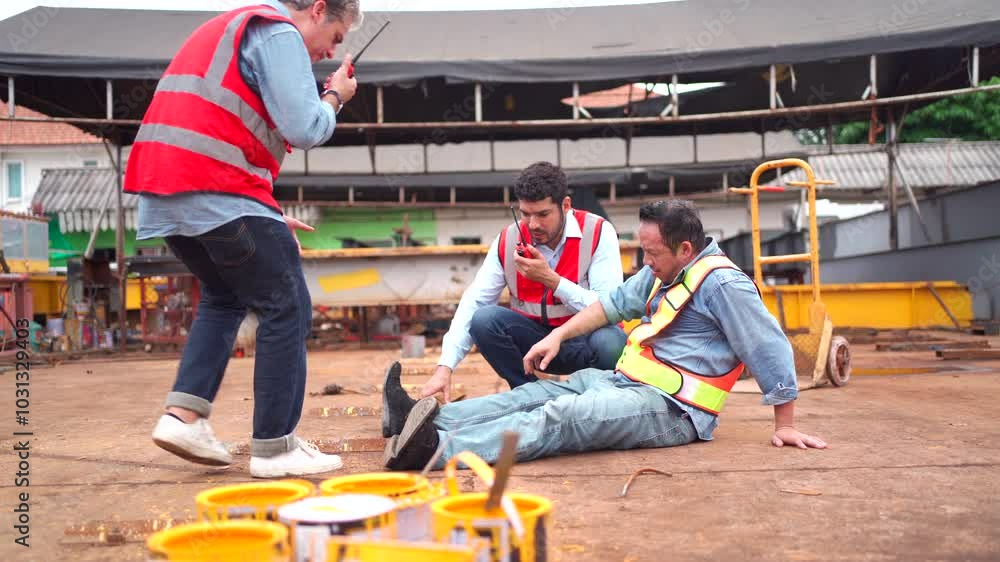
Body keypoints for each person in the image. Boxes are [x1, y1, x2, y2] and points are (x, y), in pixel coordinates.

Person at [381, 200, 827, 471]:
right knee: (532, 397)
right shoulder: (662, 271)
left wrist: (785, 425)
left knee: (561, 418)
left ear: (685, 249)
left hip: (673, 411)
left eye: (652, 252)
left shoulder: (725, 285)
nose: (646, 260)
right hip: (627, 382)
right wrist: (556, 338)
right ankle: (417, 421)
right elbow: (608, 305)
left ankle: (436, 449)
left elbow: (768, 346)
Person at [124, 0, 361, 478]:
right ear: (318, 10)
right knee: (286, 305)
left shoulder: (230, 26)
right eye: (335, 37)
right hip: (217, 190)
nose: (329, 52)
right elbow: (305, 127)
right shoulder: (279, 33)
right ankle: (276, 447)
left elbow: (225, 127)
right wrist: (335, 97)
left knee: (224, 297)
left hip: (168, 194)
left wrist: (268, 217)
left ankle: (183, 417)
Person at [404, 162, 626, 436]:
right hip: (536, 352)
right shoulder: (507, 240)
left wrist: (551, 280)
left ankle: (604, 403)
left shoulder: (598, 233)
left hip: (584, 342)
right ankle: (529, 397)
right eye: (525, 214)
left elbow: (610, 308)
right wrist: (444, 367)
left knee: (611, 339)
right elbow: (474, 302)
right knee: (484, 320)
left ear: (565, 205)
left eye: (543, 214)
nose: (533, 225)